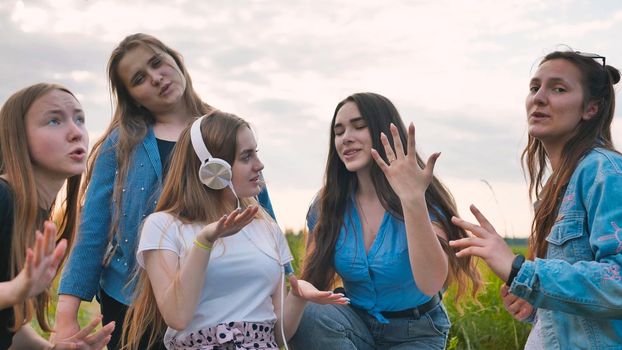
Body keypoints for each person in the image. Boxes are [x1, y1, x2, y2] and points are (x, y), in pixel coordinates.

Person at [55, 33, 277, 350]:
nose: (157, 78)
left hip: (215, 299)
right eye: (139, 79)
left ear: (175, 59)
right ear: (133, 97)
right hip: (132, 304)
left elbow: (260, 209)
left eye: (157, 63)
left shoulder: (224, 131)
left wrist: (285, 277)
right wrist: (66, 314)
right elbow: (93, 229)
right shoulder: (119, 145)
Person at [121, 111, 348, 350]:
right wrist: (204, 242)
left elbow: (280, 335)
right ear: (214, 169)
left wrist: (299, 297)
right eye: (246, 156)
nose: (259, 165)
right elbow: (177, 316)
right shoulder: (163, 226)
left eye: (256, 153)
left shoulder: (268, 229)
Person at [450, 50, 622, 349]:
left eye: (558, 88)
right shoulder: (555, 189)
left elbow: (618, 282)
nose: (539, 98)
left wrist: (520, 271)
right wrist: (537, 306)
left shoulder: (605, 171)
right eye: (534, 87)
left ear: (591, 108)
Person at [290, 92, 482, 349]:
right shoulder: (327, 204)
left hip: (416, 331)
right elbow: (314, 283)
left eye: (359, 126)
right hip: (352, 323)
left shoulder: (422, 195)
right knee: (308, 311)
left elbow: (431, 282)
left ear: (383, 131)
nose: (346, 137)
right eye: (338, 131)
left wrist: (413, 200)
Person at [0, 83, 115, 349]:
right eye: (54, 120)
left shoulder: (34, 216)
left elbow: (9, 329)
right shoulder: (3, 198)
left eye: (80, 119)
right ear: (18, 137)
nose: (76, 133)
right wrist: (14, 290)